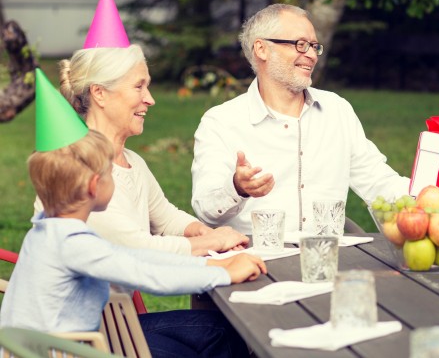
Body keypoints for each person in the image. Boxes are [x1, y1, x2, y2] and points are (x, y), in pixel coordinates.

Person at [191, 4, 439, 233]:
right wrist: (237, 187)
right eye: (300, 44)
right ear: (261, 49)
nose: (312, 54)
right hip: (254, 264)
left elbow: (379, 183)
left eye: (314, 46)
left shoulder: (337, 110)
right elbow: (206, 208)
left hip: (330, 261)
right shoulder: (221, 121)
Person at [1, 94, 266, 356]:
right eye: (110, 172)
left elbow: (137, 258)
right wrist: (224, 274)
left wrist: (213, 264)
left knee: (218, 331)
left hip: (54, 346)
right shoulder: (74, 245)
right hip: (66, 351)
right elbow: (147, 272)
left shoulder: (47, 234)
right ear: (95, 185)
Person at [51, 45, 248, 256]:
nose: (150, 99)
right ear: (99, 93)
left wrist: (205, 233)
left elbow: (166, 219)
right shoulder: (76, 168)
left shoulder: (132, 162)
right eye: (138, 87)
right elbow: (138, 248)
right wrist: (214, 242)